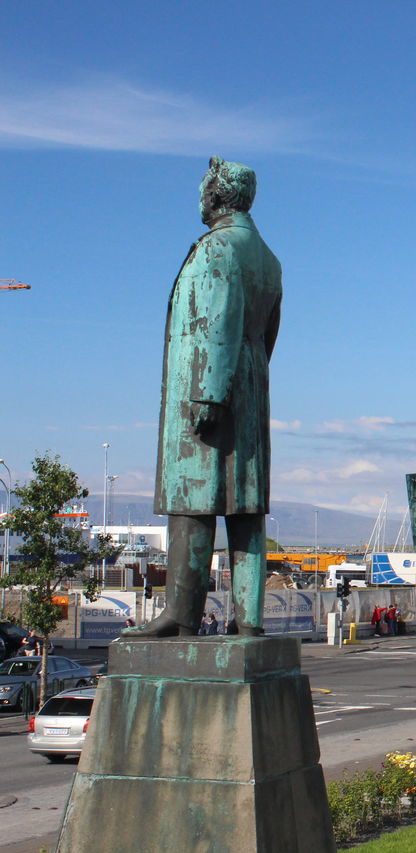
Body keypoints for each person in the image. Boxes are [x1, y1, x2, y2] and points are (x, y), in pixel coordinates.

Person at [127, 157, 282, 638]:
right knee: (246, 509)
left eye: (202, 189)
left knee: (191, 503)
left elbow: (216, 318)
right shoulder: (266, 256)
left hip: (207, 389)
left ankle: (180, 616)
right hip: (251, 386)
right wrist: (246, 381)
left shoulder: (217, 248)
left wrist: (209, 394)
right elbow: (269, 332)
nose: (198, 197)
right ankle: (249, 621)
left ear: (217, 194)